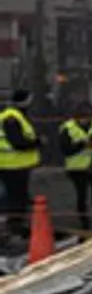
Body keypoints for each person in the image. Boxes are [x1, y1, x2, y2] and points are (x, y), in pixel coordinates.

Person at [59, 100, 92, 231]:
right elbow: (65, 150)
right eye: (82, 117)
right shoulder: (67, 128)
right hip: (77, 168)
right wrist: (81, 145)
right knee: (82, 196)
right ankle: (84, 223)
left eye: (87, 117)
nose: (84, 120)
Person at [0, 89, 41, 246]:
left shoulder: (11, 116)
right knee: (16, 198)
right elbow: (18, 142)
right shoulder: (12, 118)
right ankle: (15, 228)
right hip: (13, 165)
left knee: (17, 197)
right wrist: (37, 143)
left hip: (14, 164)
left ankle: (16, 226)